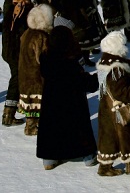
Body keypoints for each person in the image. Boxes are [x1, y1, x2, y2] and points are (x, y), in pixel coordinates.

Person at [37, 22, 98, 170]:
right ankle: (88, 156)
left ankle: (49, 158)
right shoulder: (71, 61)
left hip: (51, 102)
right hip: (73, 103)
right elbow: (84, 81)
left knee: (51, 127)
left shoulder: (45, 58)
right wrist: (97, 78)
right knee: (79, 128)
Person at [2, 0, 46, 127]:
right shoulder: (14, 1)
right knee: (18, 79)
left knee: (18, 79)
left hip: (12, 48)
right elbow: (19, 25)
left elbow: (45, 5)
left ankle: (11, 113)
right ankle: (9, 115)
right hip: (16, 49)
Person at [95, 32, 130, 176]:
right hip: (119, 111)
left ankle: (105, 166)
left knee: (108, 137)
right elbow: (121, 91)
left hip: (106, 108)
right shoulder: (117, 67)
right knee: (125, 136)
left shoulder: (104, 62)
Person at [18, 4, 54, 136]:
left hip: (25, 74)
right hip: (36, 77)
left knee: (31, 103)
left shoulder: (26, 33)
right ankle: (32, 127)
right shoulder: (41, 37)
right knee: (38, 102)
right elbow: (43, 59)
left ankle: (31, 125)